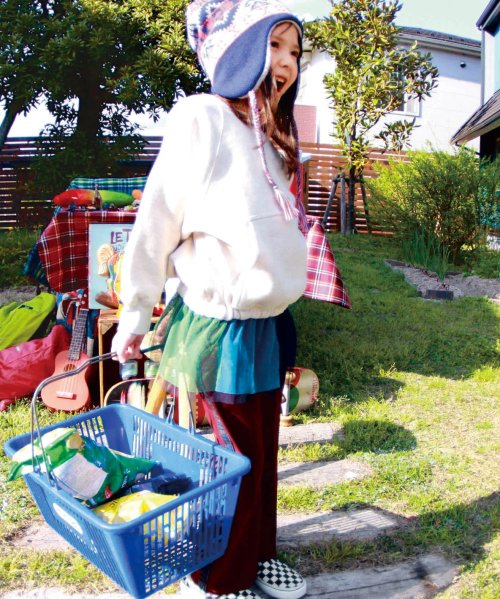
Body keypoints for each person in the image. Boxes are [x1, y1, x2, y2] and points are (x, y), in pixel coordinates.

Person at [112, 1, 308, 597]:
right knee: (227, 464)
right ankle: (219, 579)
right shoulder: (203, 117)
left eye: (296, 52)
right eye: (275, 46)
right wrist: (134, 310)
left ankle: (257, 555)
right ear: (240, 48)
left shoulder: (273, 135)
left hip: (267, 323)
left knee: (263, 454)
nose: (287, 63)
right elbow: (157, 218)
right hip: (219, 327)